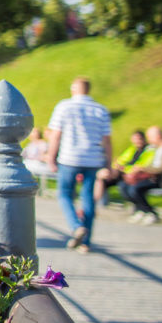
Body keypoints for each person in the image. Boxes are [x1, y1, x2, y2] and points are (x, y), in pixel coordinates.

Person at [45, 77, 112, 253]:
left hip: (69, 158)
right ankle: (86, 243)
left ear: (73, 89)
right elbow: (107, 140)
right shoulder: (100, 110)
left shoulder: (64, 106)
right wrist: (108, 164)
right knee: (88, 197)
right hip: (93, 159)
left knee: (65, 194)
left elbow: (56, 135)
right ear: (88, 90)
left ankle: (76, 226)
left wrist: (51, 157)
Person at [119, 126, 162, 225]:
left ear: (158, 136)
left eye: (150, 137)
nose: (149, 140)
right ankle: (141, 210)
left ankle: (151, 212)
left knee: (136, 188)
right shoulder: (157, 148)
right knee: (124, 186)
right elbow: (153, 165)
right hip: (154, 178)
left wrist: (144, 169)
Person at [94, 130, 152, 205]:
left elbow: (140, 166)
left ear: (143, 139)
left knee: (126, 187)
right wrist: (118, 166)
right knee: (103, 178)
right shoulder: (132, 149)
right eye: (135, 139)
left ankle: (140, 207)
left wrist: (124, 168)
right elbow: (120, 160)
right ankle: (99, 202)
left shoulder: (148, 150)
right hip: (123, 174)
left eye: (139, 139)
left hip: (135, 176)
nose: (137, 142)